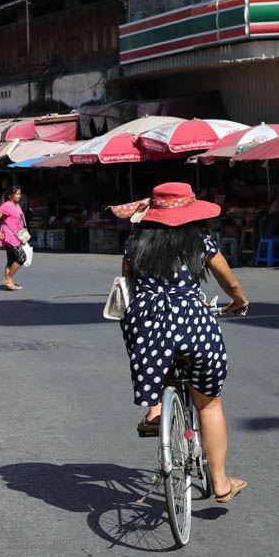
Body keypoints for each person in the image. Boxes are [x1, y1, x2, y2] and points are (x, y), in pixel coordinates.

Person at [112, 182, 249, 504]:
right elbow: (230, 282)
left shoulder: (135, 242)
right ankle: (220, 482)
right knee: (209, 403)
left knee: (153, 354)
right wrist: (239, 300)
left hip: (146, 320)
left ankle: (155, 410)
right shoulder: (202, 240)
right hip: (192, 322)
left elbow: (127, 282)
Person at [0, 185, 27, 291]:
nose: (19, 196)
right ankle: (8, 278)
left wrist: (23, 236)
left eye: (20, 193)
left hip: (17, 235)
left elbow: (20, 220)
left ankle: (9, 283)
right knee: (21, 257)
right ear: (10, 195)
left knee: (11, 260)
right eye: (17, 194)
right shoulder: (6, 206)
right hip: (9, 236)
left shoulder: (17, 205)